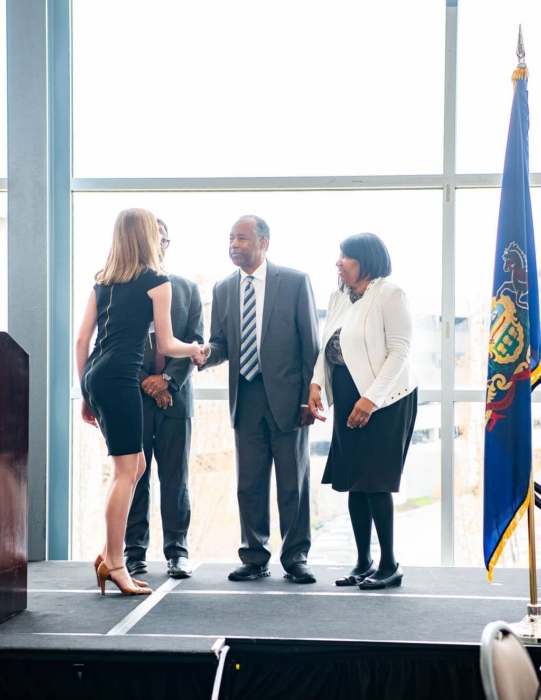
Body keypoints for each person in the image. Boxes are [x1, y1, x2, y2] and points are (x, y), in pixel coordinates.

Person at [76, 208, 205, 596]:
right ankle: (116, 564)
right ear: (147, 236)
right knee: (125, 471)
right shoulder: (157, 281)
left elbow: (82, 340)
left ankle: (107, 554)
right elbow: (166, 343)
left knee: (136, 466)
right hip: (121, 377)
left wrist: (86, 392)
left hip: (97, 374)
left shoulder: (103, 282)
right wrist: (195, 349)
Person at [194, 215, 320, 583]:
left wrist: (308, 398)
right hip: (246, 398)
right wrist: (206, 354)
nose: (234, 245)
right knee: (249, 484)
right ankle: (253, 556)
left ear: (264, 243)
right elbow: (221, 343)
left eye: (242, 238)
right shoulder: (223, 289)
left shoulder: (295, 282)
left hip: (289, 401)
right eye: (231, 239)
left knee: (293, 484)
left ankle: (295, 558)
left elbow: (310, 345)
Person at [308, 233, 417, 590]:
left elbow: (399, 354)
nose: (338, 263)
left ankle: (389, 564)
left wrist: (371, 399)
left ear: (366, 261)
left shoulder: (390, 294)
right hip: (347, 392)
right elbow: (328, 349)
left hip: (386, 399)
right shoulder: (338, 296)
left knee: (376, 481)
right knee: (355, 480)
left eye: (346, 257)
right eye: (338, 256)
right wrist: (316, 384)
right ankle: (363, 561)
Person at [124, 218, 204, 580]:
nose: (158, 245)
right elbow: (111, 344)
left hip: (176, 401)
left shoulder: (187, 289)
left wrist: (168, 381)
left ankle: (177, 553)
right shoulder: (122, 289)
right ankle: (134, 554)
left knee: (176, 481)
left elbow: (196, 342)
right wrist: (146, 381)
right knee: (133, 479)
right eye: (151, 238)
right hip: (132, 397)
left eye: (163, 240)